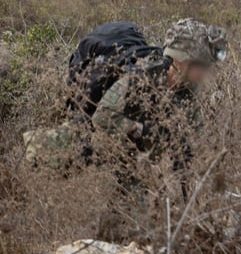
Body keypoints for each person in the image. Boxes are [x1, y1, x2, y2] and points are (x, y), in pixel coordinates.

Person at [91, 18, 227, 165]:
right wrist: (136, 127)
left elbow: (195, 133)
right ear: (182, 62)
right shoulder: (143, 76)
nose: (205, 73)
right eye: (201, 66)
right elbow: (101, 116)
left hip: (147, 162)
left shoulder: (191, 88)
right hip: (113, 157)